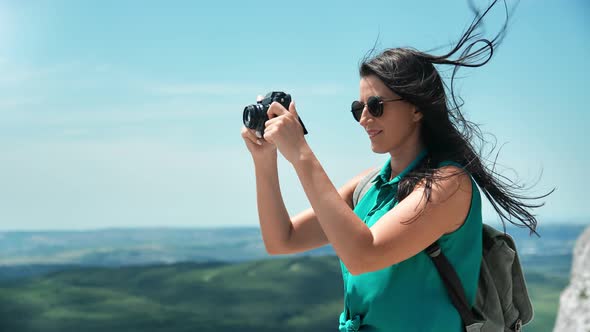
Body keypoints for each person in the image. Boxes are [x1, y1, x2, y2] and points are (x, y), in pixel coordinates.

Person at [240, 1, 552, 331]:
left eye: (376, 106)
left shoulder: (448, 185)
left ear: (417, 108)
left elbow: (363, 255)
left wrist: (301, 154)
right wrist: (265, 161)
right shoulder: (368, 186)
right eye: (358, 107)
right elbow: (282, 240)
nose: (364, 118)